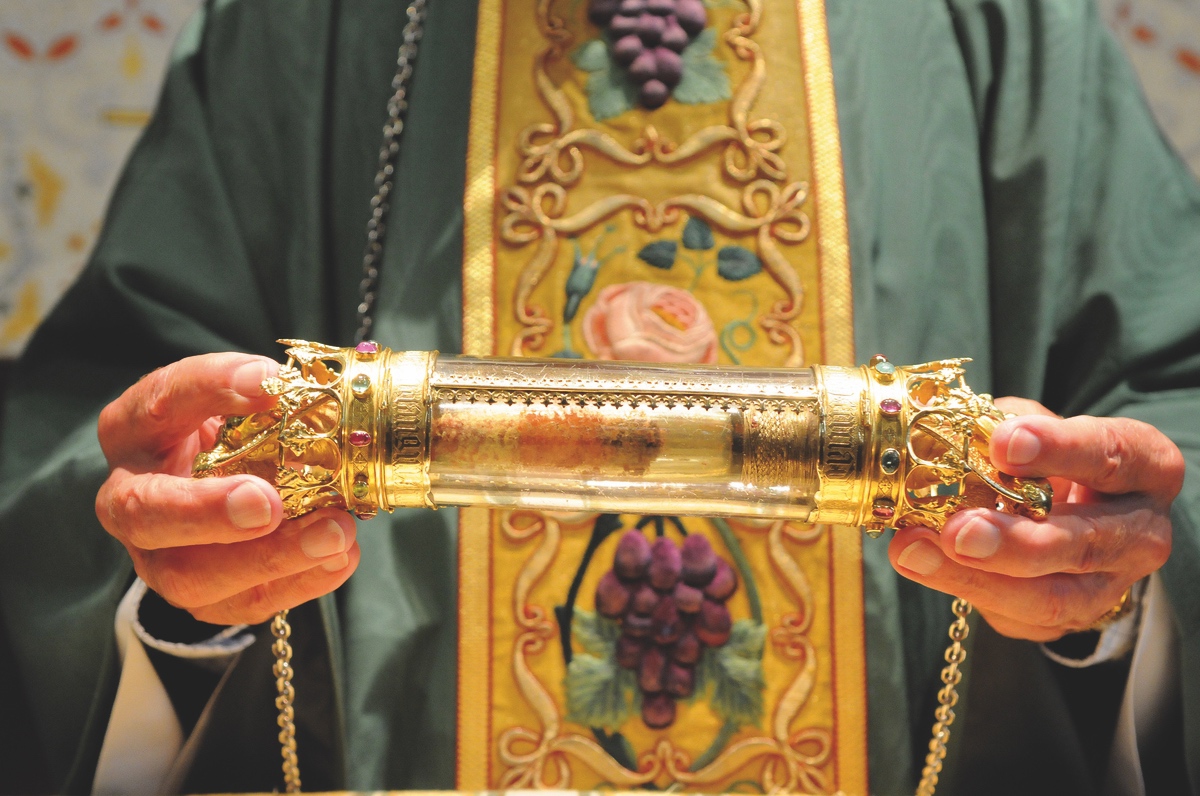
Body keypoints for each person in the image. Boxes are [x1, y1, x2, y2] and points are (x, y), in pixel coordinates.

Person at [1, 0, 1197, 793]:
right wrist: (184, 580)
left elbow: (1161, 426)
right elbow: (96, 453)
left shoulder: (984, 24)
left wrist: (1108, 592)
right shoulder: (316, 29)